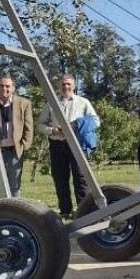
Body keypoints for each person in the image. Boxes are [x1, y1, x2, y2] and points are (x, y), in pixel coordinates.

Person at [39, 74, 100, 217]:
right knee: (60, 178)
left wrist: (78, 126)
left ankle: (84, 212)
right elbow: (40, 125)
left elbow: (96, 121)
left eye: (68, 84)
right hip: (57, 145)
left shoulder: (83, 102)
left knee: (81, 178)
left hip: (77, 144)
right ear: (59, 86)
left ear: (74, 86)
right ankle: (65, 211)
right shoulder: (51, 103)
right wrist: (53, 130)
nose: (66, 87)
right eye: (63, 84)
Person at [0, 74, 33, 201]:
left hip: (14, 152)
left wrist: (24, 145)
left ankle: (13, 212)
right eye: (1, 86)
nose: (4, 89)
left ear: (13, 88)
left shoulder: (24, 103)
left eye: (8, 86)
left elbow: (29, 127)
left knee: (14, 187)